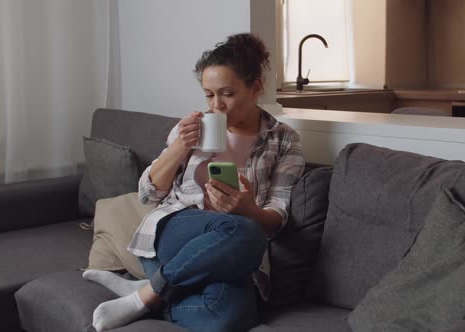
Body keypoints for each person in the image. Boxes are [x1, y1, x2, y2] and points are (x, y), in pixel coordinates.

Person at [82, 33, 305, 332]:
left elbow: (275, 220)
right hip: (175, 230)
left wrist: (249, 208)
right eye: (209, 94)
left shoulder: (284, 140)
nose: (216, 106)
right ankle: (145, 297)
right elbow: (148, 195)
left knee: (227, 316)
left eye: (227, 93)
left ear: (255, 88)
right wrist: (179, 147)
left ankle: (147, 292)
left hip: (230, 248)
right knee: (244, 230)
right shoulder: (191, 129)